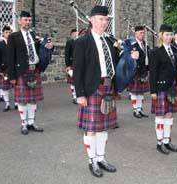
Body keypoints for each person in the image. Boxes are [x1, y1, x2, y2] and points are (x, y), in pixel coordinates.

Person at [73, 5, 139, 177]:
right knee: (91, 128)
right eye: (101, 19)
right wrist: (80, 94)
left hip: (108, 87)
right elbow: (78, 69)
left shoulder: (110, 41)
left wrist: (131, 59)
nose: (104, 22)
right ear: (91, 19)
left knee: (104, 127)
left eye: (106, 19)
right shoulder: (82, 42)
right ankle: (92, 160)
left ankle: (101, 158)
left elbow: (118, 63)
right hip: (92, 88)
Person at [7, 11, 53, 135]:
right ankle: (24, 124)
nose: (27, 22)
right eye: (25, 20)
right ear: (19, 21)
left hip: (34, 70)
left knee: (33, 99)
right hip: (22, 71)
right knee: (22, 100)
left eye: (29, 20)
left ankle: (31, 122)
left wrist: (49, 47)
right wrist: (11, 76)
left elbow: (40, 49)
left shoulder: (33, 35)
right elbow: (10, 58)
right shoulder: (13, 37)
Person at [149, 24, 177, 155]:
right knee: (160, 115)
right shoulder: (155, 52)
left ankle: (167, 141)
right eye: (167, 34)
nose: (169, 37)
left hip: (172, 87)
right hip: (161, 87)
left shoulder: (175, 50)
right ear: (161, 36)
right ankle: (159, 142)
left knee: (169, 114)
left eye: (171, 34)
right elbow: (153, 72)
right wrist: (153, 91)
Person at [127, 25, 149, 118]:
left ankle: (140, 109)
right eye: (141, 32)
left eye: (143, 32)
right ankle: (135, 110)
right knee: (134, 93)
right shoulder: (132, 44)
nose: (142, 34)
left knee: (141, 93)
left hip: (143, 70)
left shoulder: (145, 43)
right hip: (135, 71)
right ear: (136, 33)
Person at [0, 26, 13, 111]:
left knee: (16, 86)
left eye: (10, 32)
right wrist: (0, 71)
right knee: (5, 87)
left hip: (14, 69)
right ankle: (7, 104)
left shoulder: (14, 43)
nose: (8, 34)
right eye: (6, 32)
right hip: (4, 69)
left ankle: (17, 103)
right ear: (3, 33)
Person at [65, 29, 78, 104]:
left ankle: (78, 96)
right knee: (73, 82)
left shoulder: (80, 42)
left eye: (76, 34)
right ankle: (74, 96)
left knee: (79, 81)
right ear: (71, 34)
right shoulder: (69, 42)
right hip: (72, 64)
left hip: (79, 65)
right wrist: (68, 65)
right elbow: (67, 54)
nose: (75, 35)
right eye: (74, 34)